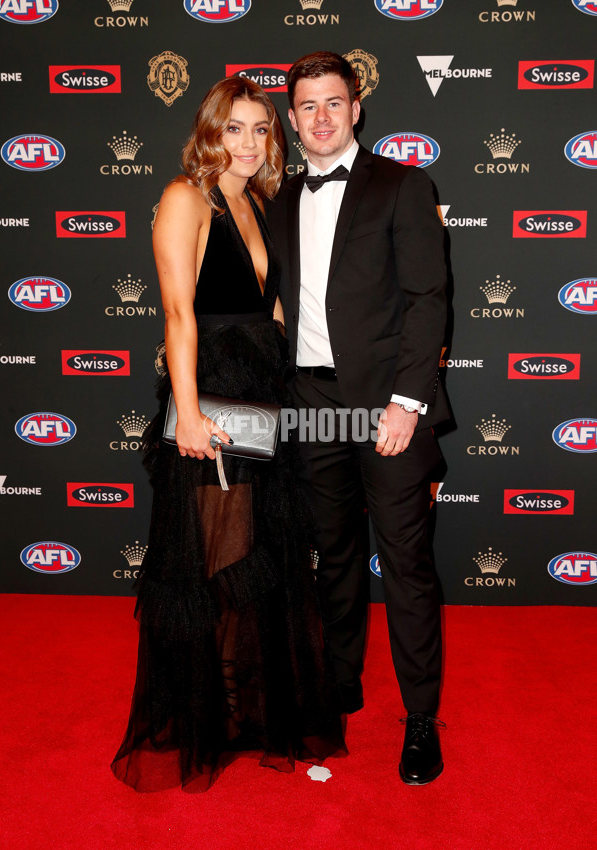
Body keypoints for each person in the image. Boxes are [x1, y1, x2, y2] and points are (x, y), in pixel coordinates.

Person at [111, 76, 346, 793]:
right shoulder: (187, 197)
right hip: (210, 396)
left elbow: (273, 312)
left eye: (260, 130)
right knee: (211, 557)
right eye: (235, 129)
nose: (249, 143)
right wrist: (188, 414)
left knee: (258, 551)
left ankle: (246, 706)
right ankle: (202, 713)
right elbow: (178, 313)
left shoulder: (259, 200)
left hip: (265, 399)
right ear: (210, 132)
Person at [266, 52, 450, 786]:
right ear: (292, 117)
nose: (320, 117)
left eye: (333, 103)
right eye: (307, 106)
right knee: (333, 556)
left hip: (387, 407)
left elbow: (429, 299)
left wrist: (407, 403)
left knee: (405, 564)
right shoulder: (276, 198)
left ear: (357, 108)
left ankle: (422, 721)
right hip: (311, 405)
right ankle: (340, 683)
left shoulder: (403, 186)